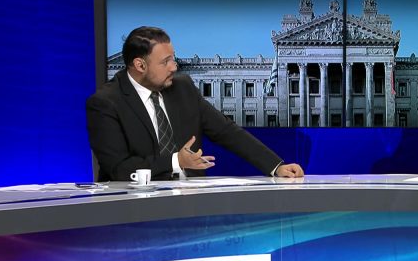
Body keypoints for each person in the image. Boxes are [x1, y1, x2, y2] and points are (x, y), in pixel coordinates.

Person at [87, 26, 304, 181]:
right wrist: (176, 161)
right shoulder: (105, 103)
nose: (174, 67)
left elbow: (227, 131)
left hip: (191, 206)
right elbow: (119, 168)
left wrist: (276, 166)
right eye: (165, 62)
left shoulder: (183, 88)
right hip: (134, 211)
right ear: (140, 65)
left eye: (173, 58)